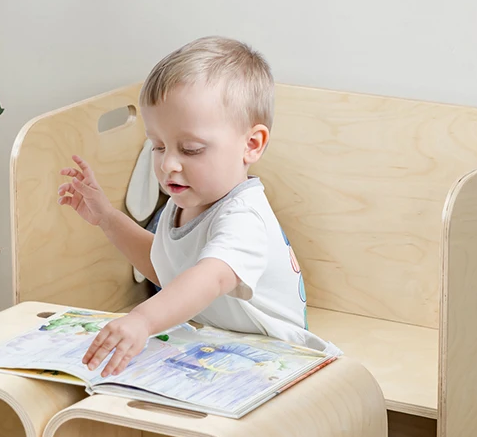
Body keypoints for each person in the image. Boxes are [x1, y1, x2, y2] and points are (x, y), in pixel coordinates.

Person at [57, 36, 331, 377]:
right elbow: (167, 269)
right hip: (217, 345)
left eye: (190, 149)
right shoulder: (188, 199)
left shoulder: (243, 217)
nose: (169, 164)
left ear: (251, 144)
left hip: (278, 359)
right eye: (157, 146)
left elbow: (210, 279)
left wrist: (142, 319)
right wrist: (107, 217)